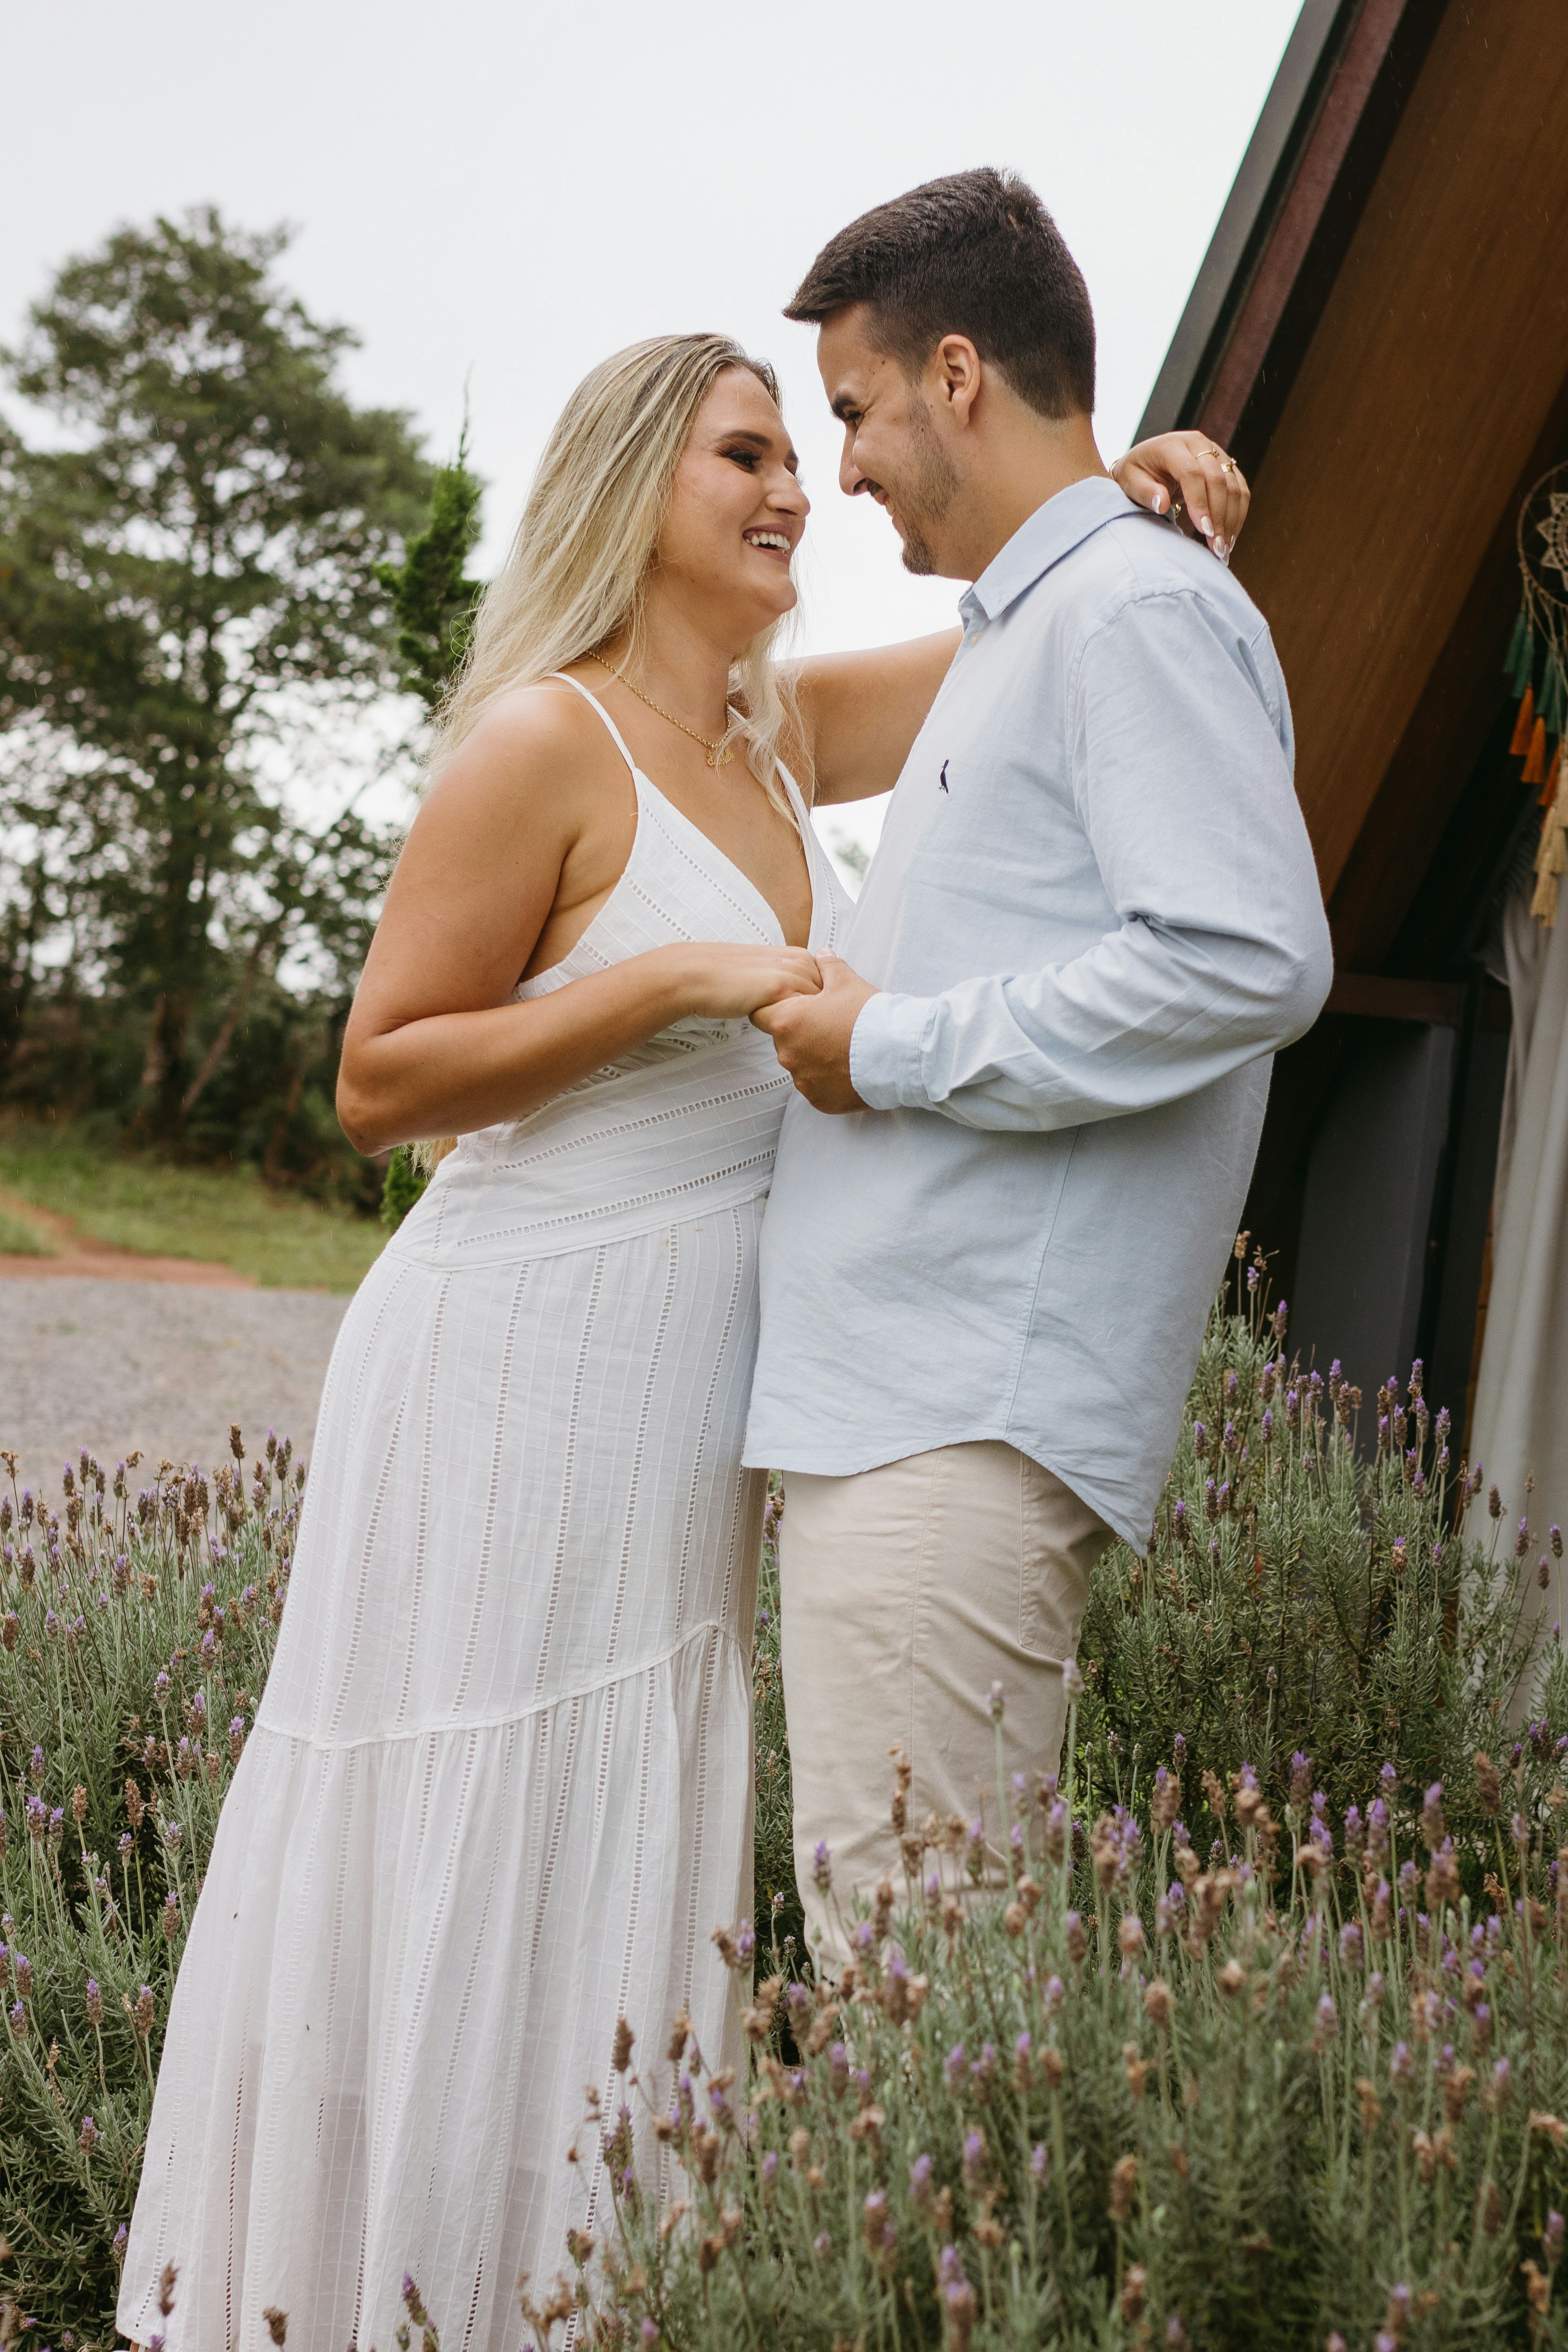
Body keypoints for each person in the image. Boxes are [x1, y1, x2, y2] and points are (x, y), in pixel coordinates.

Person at [117, 315, 1249, 2347]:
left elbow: (1020, 629)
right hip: (506, 1359)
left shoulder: (783, 735)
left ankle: (564, 2305)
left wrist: (1134, 477)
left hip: (691, 1399)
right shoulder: (548, 741)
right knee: (470, 1815)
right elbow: (380, 1079)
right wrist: (675, 986)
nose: (792, 490)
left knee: (627, 1830)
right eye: (744, 454)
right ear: (638, 488)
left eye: (800, 457)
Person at [742, 168, 1334, 1968]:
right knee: (913, 1983)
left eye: (849, 412)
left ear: (954, 374)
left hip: (959, 1414)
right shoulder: (1041, 621)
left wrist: (890, 1045)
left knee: (915, 2012)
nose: (838, 469)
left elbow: (1249, 954)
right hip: (909, 1412)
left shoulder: (1133, 614)